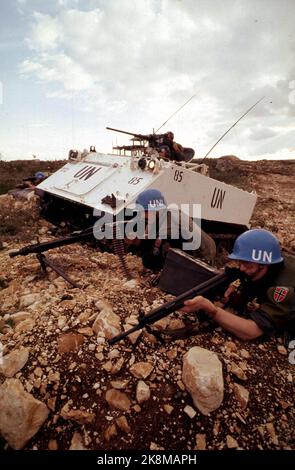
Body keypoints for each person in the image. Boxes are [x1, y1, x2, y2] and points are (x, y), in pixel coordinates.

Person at [181, 229, 295, 340]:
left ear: (263, 264)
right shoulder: (270, 259)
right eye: (240, 261)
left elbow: (251, 332)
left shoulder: (283, 289)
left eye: (247, 263)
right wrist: (236, 285)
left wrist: (212, 309)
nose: (241, 268)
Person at [125, 188, 216, 271]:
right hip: (188, 246)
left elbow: (157, 253)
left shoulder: (170, 223)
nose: (142, 215)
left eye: (144, 212)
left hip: (202, 255)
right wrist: (137, 241)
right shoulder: (160, 215)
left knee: (157, 263)